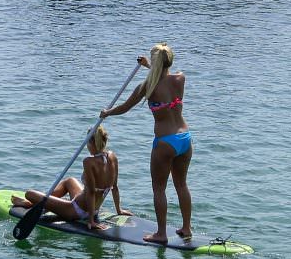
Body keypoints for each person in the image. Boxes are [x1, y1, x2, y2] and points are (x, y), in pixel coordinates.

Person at [102, 43, 192, 245]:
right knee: (181, 184)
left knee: (159, 189)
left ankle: (161, 234)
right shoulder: (180, 78)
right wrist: (150, 66)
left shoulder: (146, 87)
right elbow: (164, 73)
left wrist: (107, 113)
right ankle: (186, 228)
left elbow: (125, 107)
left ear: (156, 62)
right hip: (185, 138)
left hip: (165, 142)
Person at [17, 125, 125, 231]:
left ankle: (32, 203)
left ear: (92, 143)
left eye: (87, 142)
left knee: (29, 194)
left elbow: (91, 192)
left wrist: (91, 221)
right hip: (93, 208)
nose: (86, 146)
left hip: (77, 211)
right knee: (69, 181)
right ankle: (41, 204)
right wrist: (119, 210)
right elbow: (114, 187)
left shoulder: (89, 162)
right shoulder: (112, 156)